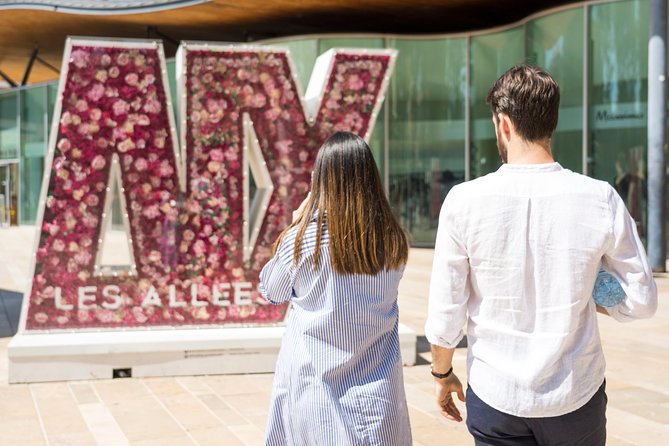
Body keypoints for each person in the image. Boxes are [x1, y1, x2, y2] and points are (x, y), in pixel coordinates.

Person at [425, 65, 658, 446]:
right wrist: (589, 284)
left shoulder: (463, 201)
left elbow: (446, 312)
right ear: (552, 123)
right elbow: (640, 301)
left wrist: (441, 374)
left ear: (503, 124)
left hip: (496, 391)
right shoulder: (600, 198)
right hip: (573, 393)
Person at [259, 131, 412, 445]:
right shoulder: (392, 240)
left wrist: (297, 222)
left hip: (312, 390)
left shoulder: (302, 242)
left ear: (321, 180)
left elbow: (272, 291)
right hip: (376, 393)